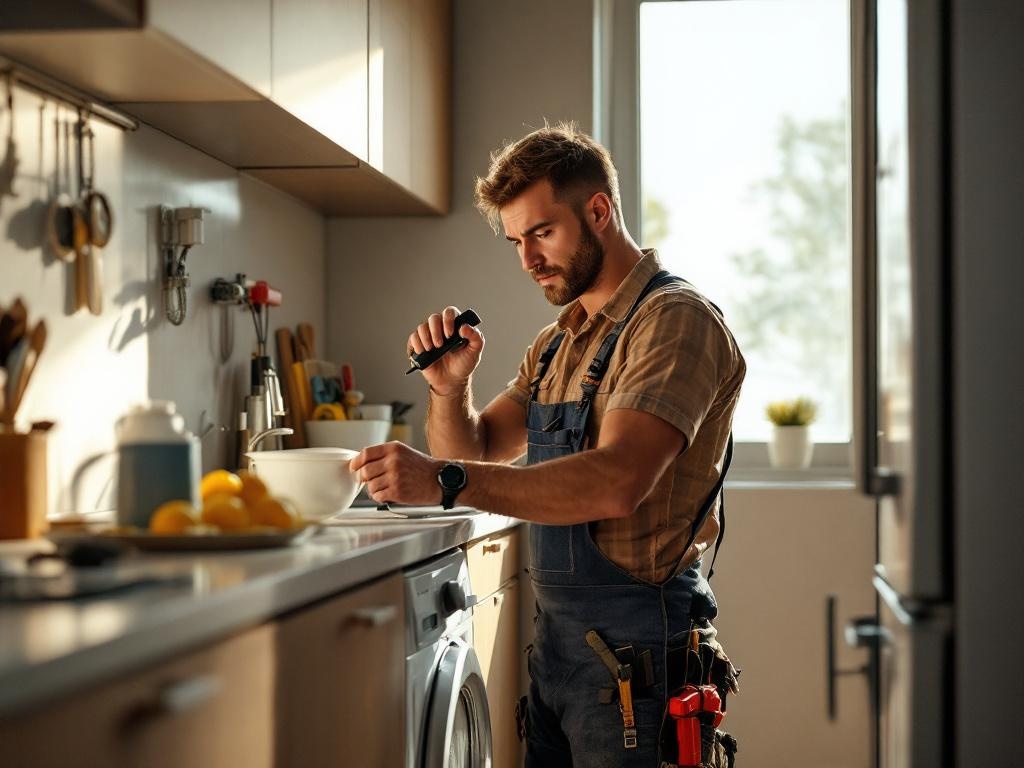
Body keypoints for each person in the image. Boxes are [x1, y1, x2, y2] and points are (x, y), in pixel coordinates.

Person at [350, 123, 745, 767]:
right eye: (516, 241)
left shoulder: (674, 322)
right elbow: (478, 449)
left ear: (599, 211)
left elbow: (618, 480)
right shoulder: (560, 341)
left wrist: (445, 481)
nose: (528, 260)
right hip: (560, 648)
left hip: (641, 659)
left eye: (542, 233)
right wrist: (450, 390)